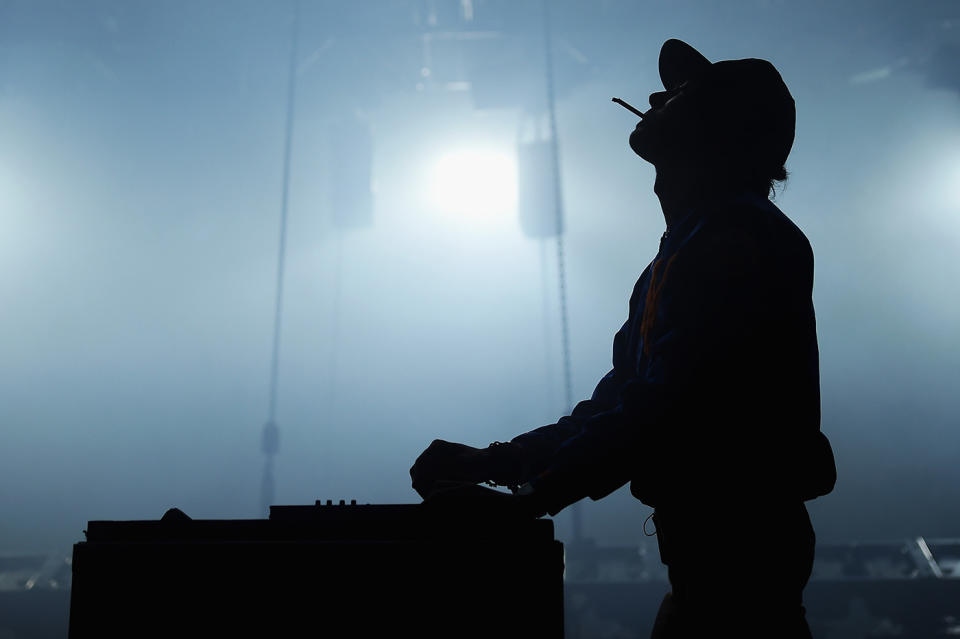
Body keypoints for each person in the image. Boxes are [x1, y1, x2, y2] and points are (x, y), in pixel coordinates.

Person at [410, 38, 836, 638]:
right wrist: (503, 462)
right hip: (720, 561)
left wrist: (528, 496)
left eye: (683, 95)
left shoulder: (732, 244)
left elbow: (661, 407)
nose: (658, 96)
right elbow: (623, 400)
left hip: (734, 562)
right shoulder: (690, 249)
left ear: (717, 134)